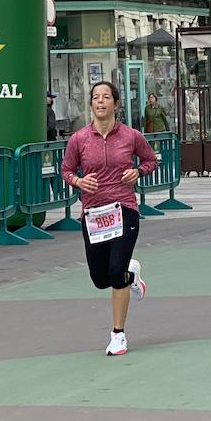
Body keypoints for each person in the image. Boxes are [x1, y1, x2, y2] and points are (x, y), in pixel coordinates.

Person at [61, 80, 158, 357]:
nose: (100, 102)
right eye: (95, 97)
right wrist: (79, 182)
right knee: (100, 279)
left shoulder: (131, 136)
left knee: (115, 272)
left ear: (116, 103)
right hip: (93, 214)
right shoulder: (79, 139)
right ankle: (133, 277)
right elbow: (66, 170)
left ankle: (118, 335)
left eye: (106, 97)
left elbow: (151, 161)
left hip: (124, 209)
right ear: (90, 104)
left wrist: (137, 172)